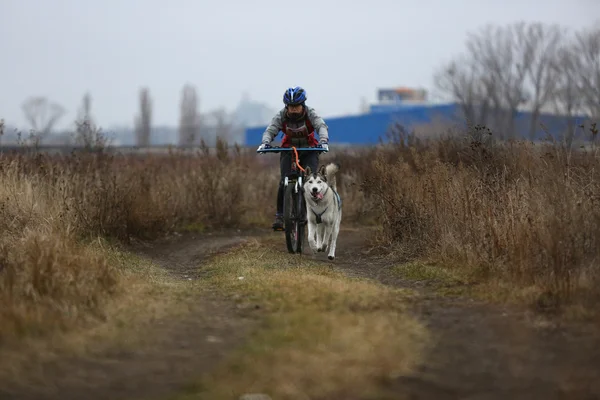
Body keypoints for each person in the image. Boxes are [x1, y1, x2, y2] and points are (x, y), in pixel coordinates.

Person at [257, 86, 330, 231]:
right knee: (284, 181)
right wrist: (265, 142)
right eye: (291, 106)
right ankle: (279, 216)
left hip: (309, 150)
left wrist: (323, 141)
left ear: (302, 105)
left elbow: (321, 126)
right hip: (288, 150)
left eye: (296, 106)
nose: (294, 109)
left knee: (312, 181)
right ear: (286, 106)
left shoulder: (310, 114)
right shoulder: (281, 116)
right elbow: (271, 129)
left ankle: (315, 211)